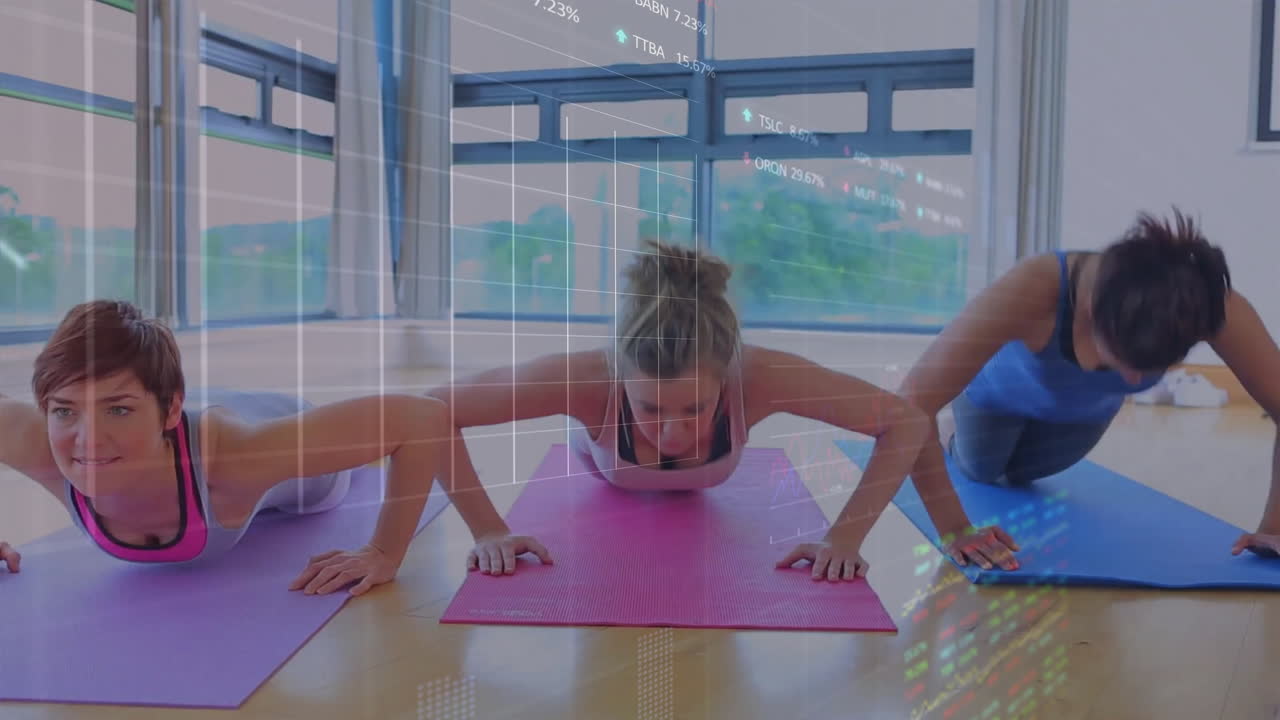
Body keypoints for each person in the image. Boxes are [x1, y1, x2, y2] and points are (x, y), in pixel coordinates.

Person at [426, 240, 932, 582]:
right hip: (605, 481)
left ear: (726, 378)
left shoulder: (762, 376)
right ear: (621, 376)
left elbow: (904, 421)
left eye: (695, 408)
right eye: (650, 407)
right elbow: (434, 407)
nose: (672, 432)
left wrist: (844, 537)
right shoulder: (584, 378)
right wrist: (488, 528)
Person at [0, 300, 540, 595]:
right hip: (203, 407)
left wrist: (391, 551)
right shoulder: (42, 442)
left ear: (168, 412)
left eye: (116, 408)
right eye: (65, 409)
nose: (86, 439)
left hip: (277, 428)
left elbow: (422, 417)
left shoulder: (234, 460)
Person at [888, 208, 1280, 570]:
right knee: (984, 469)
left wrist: (1274, 528)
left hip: (1080, 410)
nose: (1131, 382)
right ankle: (950, 433)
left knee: (1022, 475)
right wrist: (955, 529)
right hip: (994, 396)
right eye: (1118, 362)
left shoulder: (1207, 305)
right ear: (1091, 310)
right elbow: (912, 404)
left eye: (1152, 369)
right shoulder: (1035, 287)